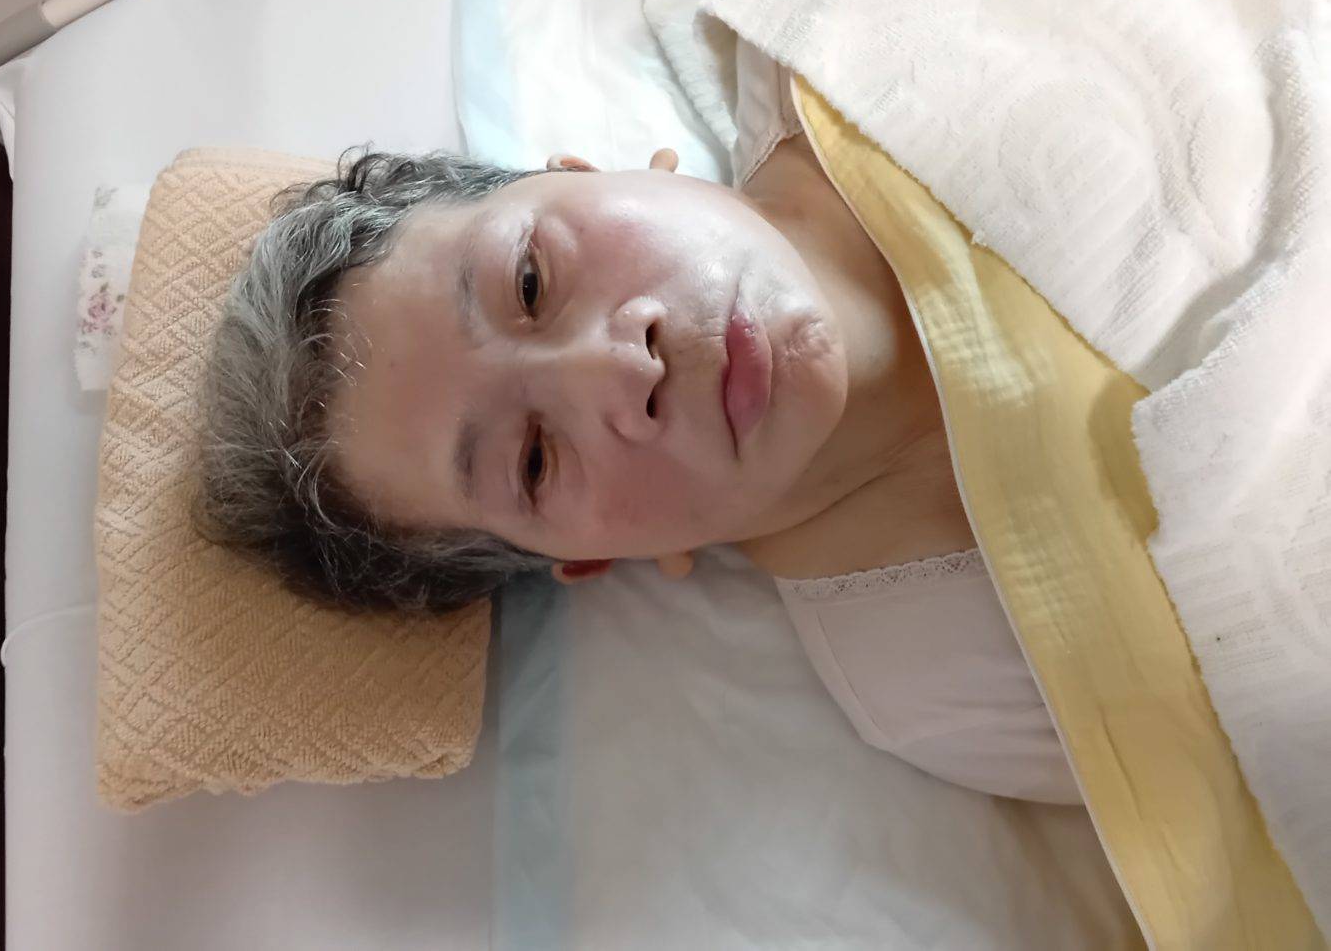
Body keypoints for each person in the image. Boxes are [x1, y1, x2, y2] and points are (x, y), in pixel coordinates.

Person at [196, 61, 1078, 803]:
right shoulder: (959, 687)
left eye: (530, 283)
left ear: (585, 170)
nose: (623, 367)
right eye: (533, 461)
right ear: (590, 559)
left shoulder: (848, 28)